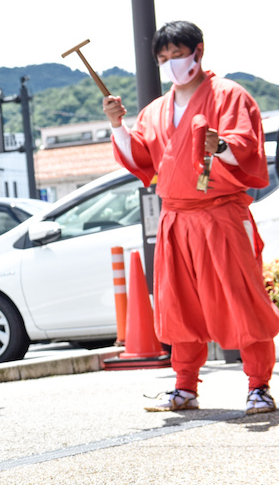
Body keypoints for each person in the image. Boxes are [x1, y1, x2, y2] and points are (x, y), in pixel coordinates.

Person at [102, 20, 279, 414]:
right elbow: (142, 160)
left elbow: (246, 147)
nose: (171, 63)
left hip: (222, 213)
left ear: (198, 52)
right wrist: (117, 125)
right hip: (176, 217)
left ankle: (259, 385)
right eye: (163, 57)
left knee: (243, 297)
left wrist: (222, 146)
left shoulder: (229, 95)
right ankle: (185, 386)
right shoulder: (155, 111)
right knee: (178, 303)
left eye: (178, 54)